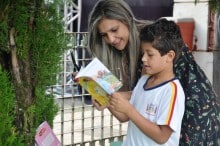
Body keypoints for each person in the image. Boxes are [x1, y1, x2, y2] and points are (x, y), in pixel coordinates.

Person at [86, 0, 220, 145]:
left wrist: (112, 96)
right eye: (104, 35)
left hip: (196, 113)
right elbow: (136, 99)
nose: (110, 39)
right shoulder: (126, 50)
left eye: (114, 30)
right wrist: (106, 99)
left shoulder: (153, 39)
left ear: (126, 20)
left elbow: (146, 93)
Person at [109, 19, 185, 146]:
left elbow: (162, 137)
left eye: (150, 54)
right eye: (143, 53)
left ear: (170, 56)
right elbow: (124, 117)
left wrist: (129, 110)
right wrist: (106, 100)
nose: (143, 59)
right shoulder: (144, 81)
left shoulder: (172, 91)